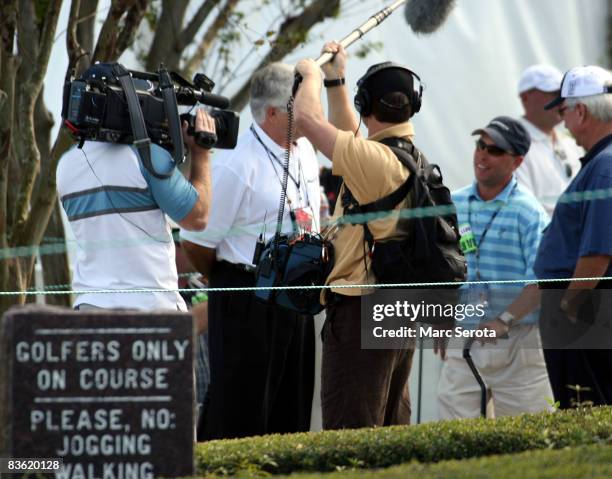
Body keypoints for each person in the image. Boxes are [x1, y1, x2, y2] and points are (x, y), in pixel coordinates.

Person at [180, 62, 320, 440]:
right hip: (247, 294)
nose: (308, 112)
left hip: (297, 291)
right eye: (299, 106)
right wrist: (232, 280)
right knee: (240, 410)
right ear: (273, 112)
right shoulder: (237, 163)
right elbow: (195, 244)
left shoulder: (305, 149)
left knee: (292, 410)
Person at [293, 43, 428, 429]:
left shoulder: (374, 159)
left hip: (360, 311)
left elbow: (306, 119)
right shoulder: (401, 154)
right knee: (387, 428)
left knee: (350, 432)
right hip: (394, 307)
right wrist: (336, 78)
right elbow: (346, 131)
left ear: (368, 102)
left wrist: (312, 76)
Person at [436, 116, 553, 419]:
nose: (483, 154)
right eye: (480, 145)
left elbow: (541, 280)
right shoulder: (452, 204)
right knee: (454, 441)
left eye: (495, 150)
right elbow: (438, 268)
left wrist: (504, 321)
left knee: (528, 443)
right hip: (463, 337)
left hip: (519, 342)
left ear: (517, 161)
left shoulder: (530, 213)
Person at [56, 100, 215, 311]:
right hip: (152, 309)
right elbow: (198, 217)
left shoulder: (66, 164)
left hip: (90, 307)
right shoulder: (147, 156)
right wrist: (201, 152)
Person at [534, 65, 612, 408]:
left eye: (564, 111)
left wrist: (567, 307)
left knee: (585, 411)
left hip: (584, 315)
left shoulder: (605, 165)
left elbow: (598, 250)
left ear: (580, 110)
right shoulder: (601, 162)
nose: (563, 122)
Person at [515, 64, 582, 216]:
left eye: (563, 94)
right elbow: (524, 210)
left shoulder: (571, 143)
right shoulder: (512, 147)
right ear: (525, 97)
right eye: (554, 93)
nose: (561, 100)